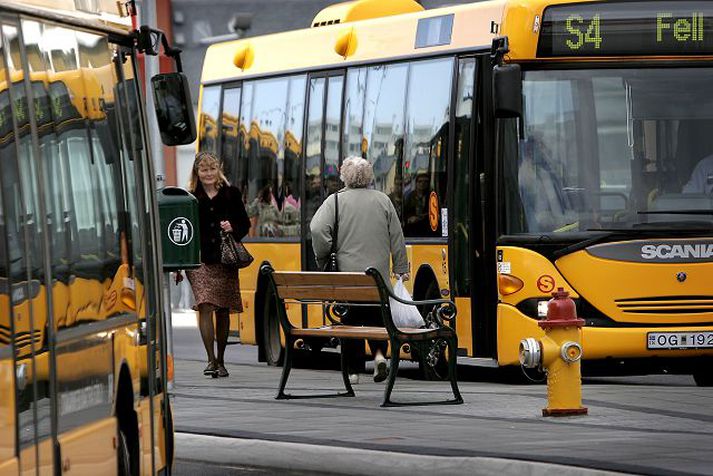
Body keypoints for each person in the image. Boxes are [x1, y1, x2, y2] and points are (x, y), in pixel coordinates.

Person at [310, 156, 409, 384]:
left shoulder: (334, 201)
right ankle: (379, 356)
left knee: (350, 322)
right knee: (377, 319)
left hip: (348, 280)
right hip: (377, 279)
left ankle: (353, 371)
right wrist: (401, 267)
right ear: (369, 176)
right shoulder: (383, 200)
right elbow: (397, 236)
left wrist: (323, 254)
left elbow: (317, 229)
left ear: (344, 175)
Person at [179, 151, 250, 378]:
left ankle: (221, 359)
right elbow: (184, 233)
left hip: (224, 259)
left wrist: (233, 228)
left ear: (218, 170)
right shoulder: (190, 198)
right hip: (199, 260)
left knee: (222, 309)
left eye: (212, 169)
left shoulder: (231, 194)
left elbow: (245, 224)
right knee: (205, 305)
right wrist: (179, 265)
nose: (208, 174)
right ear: (197, 173)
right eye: (203, 170)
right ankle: (210, 359)